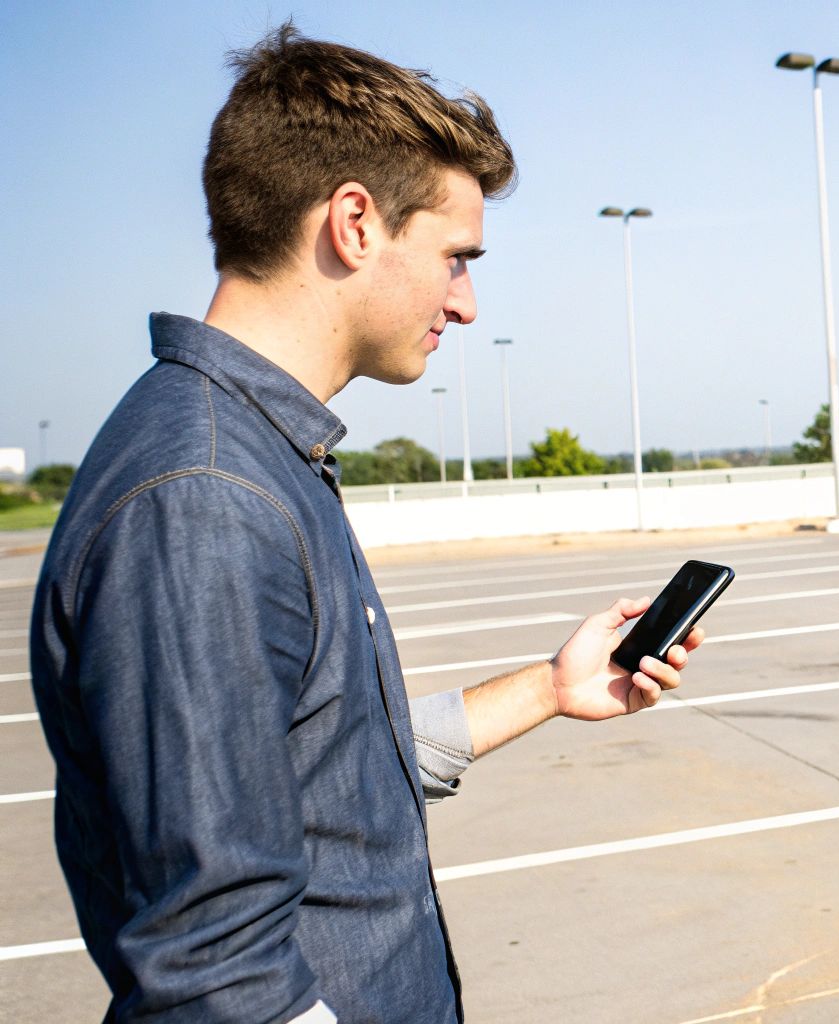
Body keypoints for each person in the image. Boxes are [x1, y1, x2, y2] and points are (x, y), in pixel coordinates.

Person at [27, 23, 702, 1023]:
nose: (466, 304)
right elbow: (217, 976)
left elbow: (323, 768)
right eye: (456, 258)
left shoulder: (254, 453)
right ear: (353, 222)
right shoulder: (206, 498)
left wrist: (551, 688)